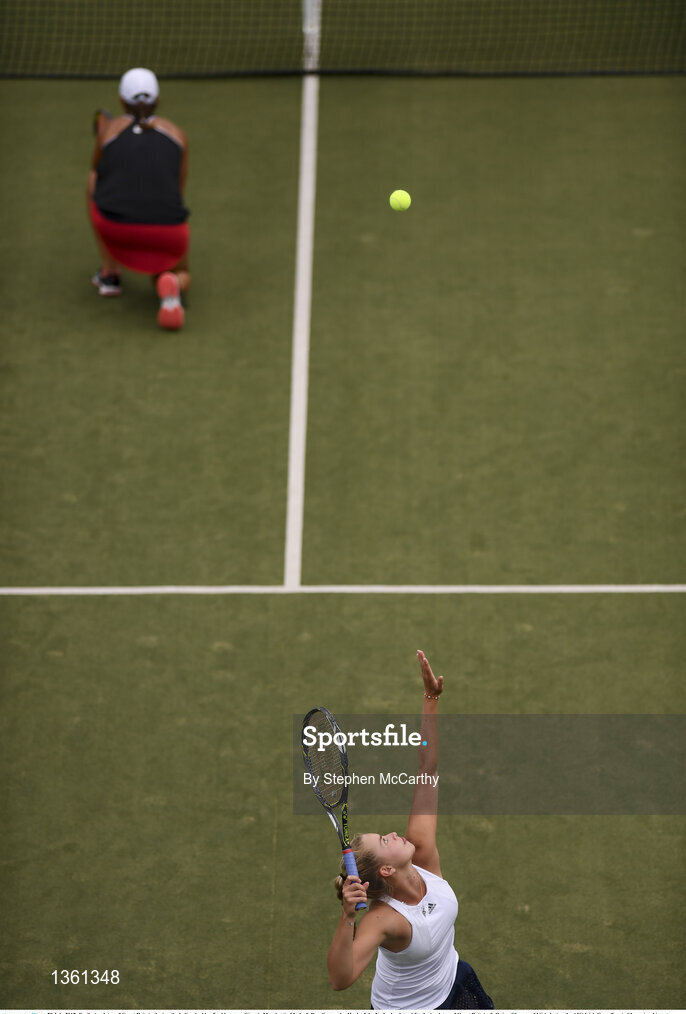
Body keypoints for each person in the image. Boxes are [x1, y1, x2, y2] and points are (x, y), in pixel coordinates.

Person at [327, 650, 494, 1010]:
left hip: (455, 982)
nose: (392, 833)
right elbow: (341, 980)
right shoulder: (383, 920)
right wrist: (346, 918)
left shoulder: (421, 853)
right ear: (386, 869)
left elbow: (426, 766)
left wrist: (431, 698)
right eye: (384, 840)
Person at [87, 67, 190, 330]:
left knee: (92, 183)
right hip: (168, 230)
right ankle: (172, 284)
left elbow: (100, 174)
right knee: (179, 270)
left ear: (122, 101)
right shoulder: (177, 135)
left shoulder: (108, 132)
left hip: (117, 228)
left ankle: (110, 274)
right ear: (158, 100)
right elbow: (177, 190)